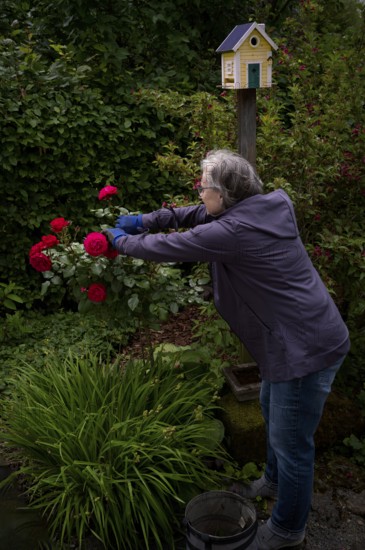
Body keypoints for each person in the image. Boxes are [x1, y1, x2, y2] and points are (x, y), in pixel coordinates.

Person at [104, 149, 350, 550]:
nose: (199, 192)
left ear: (226, 193)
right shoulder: (262, 207)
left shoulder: (233, 232)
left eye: (204, 186)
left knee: (293, 447)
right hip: (291, 340)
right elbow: (191, 214)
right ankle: (272, 482)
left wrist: (121, 240)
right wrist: (145, 220)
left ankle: (288, 530)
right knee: (272, 412)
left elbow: (169, 247)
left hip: (305, 349)